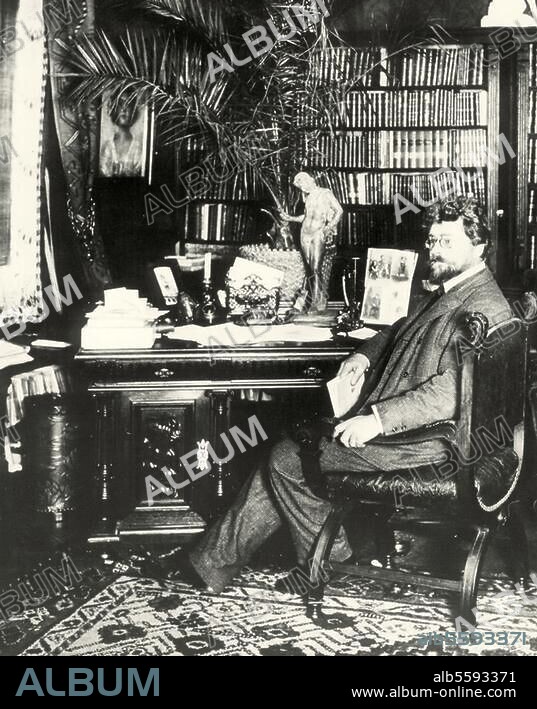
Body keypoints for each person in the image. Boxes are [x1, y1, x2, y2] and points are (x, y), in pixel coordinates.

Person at [173, 196, 511, 594]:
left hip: (432, 440)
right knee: (285, 455)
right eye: (433, 240)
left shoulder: (485, 307)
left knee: (286, 459)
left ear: (479, 246)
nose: (434, 250)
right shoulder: (455, 289)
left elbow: (450, 392)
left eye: (447, 242)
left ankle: (330, 563)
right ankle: (209, 565)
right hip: (417, 425)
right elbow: (400, 328)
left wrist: (377, 420)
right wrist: (361, 358)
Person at [281, 172, 343, 313]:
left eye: (302, 184)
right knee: (310, 269)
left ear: (309, 181)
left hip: (317, 233)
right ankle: (315, 301)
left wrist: (328, 228)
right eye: (299, 186)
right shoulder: (307, 197)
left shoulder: (325, 193)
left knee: (316, 268)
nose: (302, 188)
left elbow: (339, 211)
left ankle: (316, 303)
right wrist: (290, 218)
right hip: (305, 233)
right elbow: (307, 217)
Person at [100, 95, 144, 178]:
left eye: (128, 105)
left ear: (134, 111)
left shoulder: (139, 148)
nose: (124, 109)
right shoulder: (107, 147)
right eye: (120, 105)